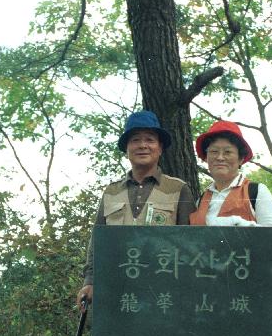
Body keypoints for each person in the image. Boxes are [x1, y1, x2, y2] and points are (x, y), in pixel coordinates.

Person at [75, 110, 196, 309]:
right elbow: (98, 241)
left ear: (160, 148)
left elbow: (191, 246)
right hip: (115, 290)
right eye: (135, 140)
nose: (142, 145)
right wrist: (89, 281)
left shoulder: (178, 189)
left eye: (150, 139)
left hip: (164, 293)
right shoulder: (111, 192)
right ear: (127, 148)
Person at [189, 120, 272, 318]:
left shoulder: (256, 191)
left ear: (240, 159)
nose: (220, 157)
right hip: (211, 295)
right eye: (214, 152)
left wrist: (234, 223)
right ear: (206, 158)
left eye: (228, 152)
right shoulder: (201, 199)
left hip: (252, 292)